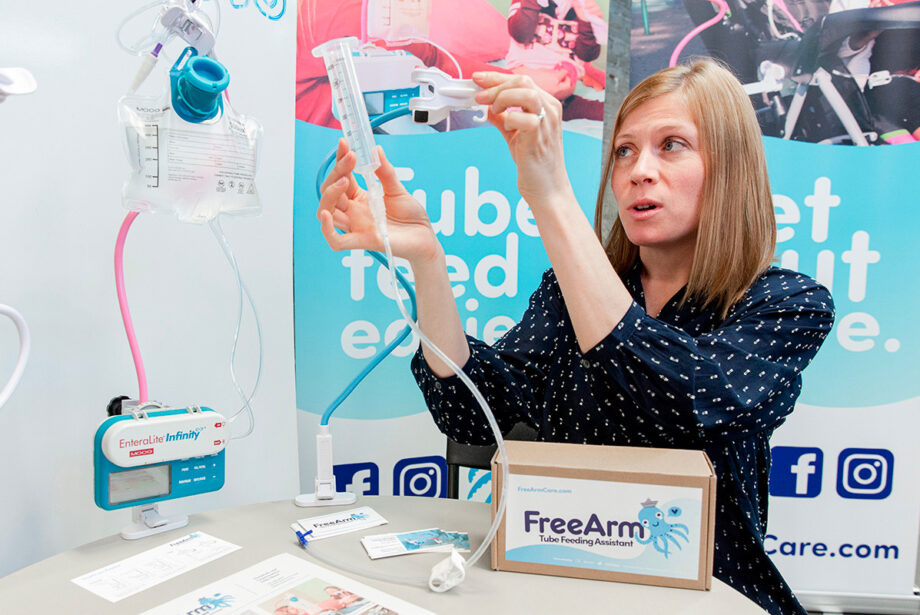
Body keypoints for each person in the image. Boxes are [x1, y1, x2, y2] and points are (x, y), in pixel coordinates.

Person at [316, 59, 834, 615]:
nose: (640, 171)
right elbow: (471, 413)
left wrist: (551, 194)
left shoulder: (786, 305)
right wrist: (427, 258)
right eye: (625, 151)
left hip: (713, 598)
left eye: (673, 145)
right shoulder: (567, 294)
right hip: (563, 587)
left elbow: (681, 401)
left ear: (731, 169)